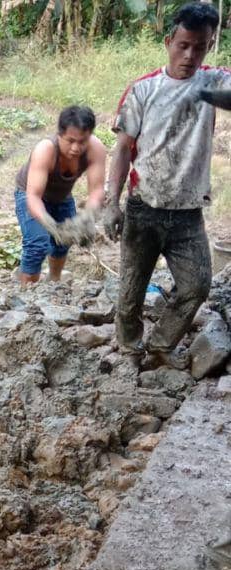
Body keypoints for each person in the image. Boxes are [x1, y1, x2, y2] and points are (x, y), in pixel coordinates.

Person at [104, 1, 226, 371]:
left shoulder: (211, 83)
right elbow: (123, 148)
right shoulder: (143, 90)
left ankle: (159, 346)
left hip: (188, 214)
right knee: (130, 293)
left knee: (196, 286)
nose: (190, 55)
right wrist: (112, 202)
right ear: (169, 40)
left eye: (200, 47)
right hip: (144, 208)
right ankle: (128, 349)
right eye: (184, 45)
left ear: (210, 45)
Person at [14, 105, 107, 284]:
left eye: (82, 141)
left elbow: (96, 189)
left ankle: (54, 281)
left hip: (61, 196)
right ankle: (26, 292)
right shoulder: (45, 150)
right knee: (37, 244)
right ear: (59, 134)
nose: (76, 148)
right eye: (70, 140)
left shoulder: (96, 149)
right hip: (30, 193)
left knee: (64, 241)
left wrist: (89, 215)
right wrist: (49, 224)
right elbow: (33, 196)